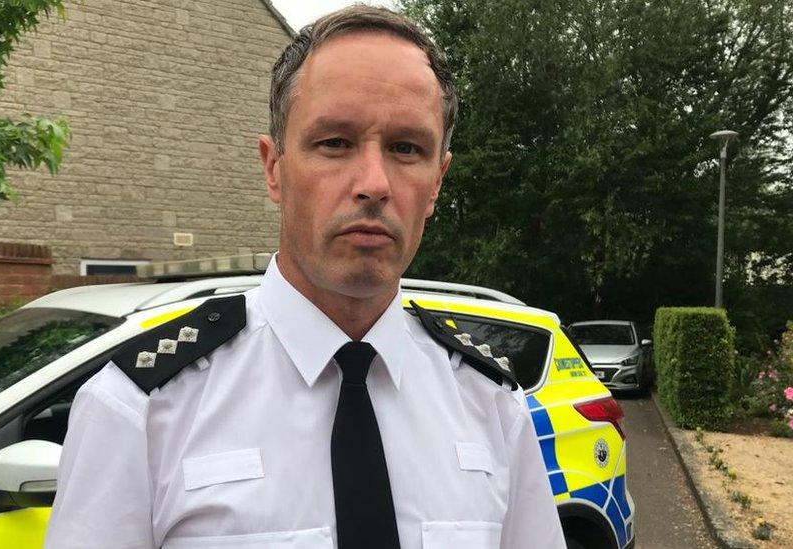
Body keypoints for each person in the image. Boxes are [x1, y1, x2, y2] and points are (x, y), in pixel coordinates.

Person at [45, 6, 566, 549]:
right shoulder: (142, 409)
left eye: (407, 148)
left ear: (438, 181)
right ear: (274, 168)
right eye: (335, 143)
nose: (373, 183)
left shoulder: (490, 404)